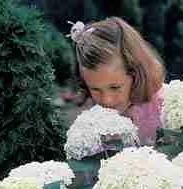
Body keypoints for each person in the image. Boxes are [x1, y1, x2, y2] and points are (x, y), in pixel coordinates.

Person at [68, 17, 165, 146]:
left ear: (136, 73)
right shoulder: (93, 123)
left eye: (115, 87)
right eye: (95, 89)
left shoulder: (166, 109)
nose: (106, 100)